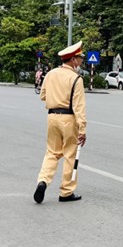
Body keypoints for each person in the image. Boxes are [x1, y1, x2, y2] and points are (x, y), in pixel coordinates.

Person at [34, 41, 88, 204]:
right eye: (79, 58)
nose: (81, 61)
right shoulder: (76, 79)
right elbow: (79, 106)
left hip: (52, 117)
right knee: (70, 154)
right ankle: (66, 191)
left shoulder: (50, 74)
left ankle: (43, 181)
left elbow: (43, 95)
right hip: (68, 119)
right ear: (72, 60)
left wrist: (54, 98)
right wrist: (83, 129)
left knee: (52, 152)